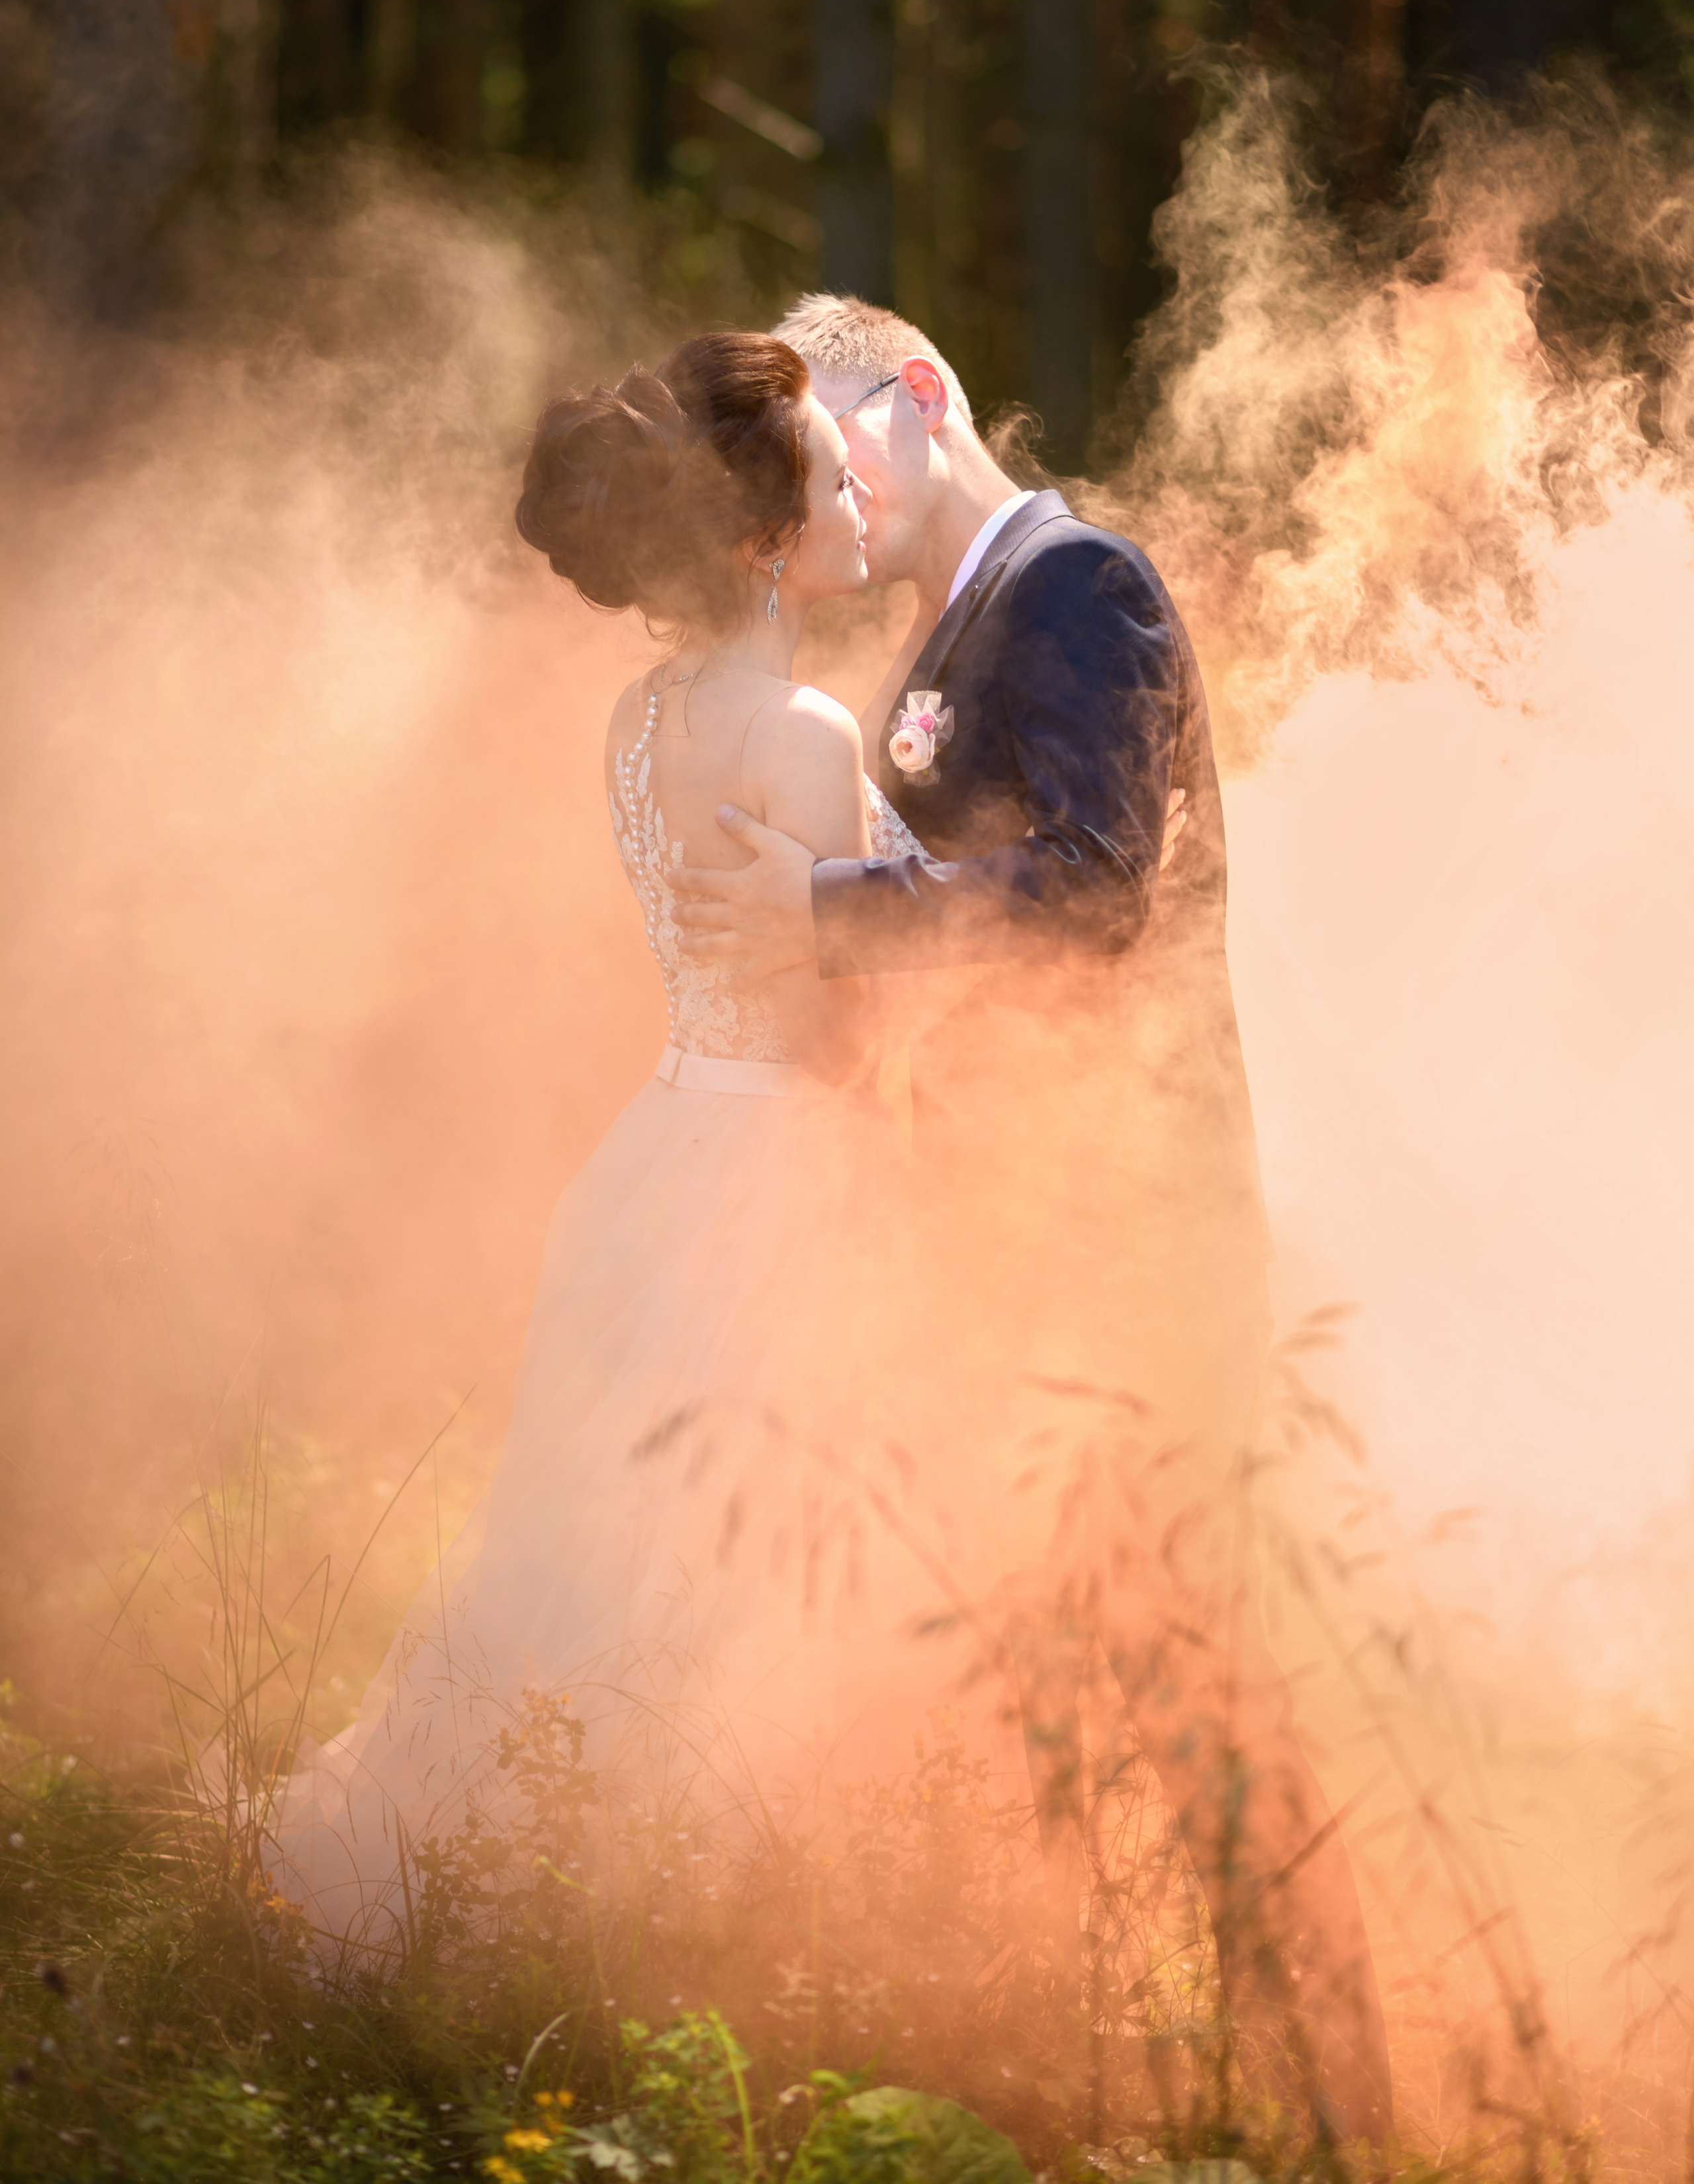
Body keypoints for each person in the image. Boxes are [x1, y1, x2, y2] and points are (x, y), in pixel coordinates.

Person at [670, 294, 1395, 2150]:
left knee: (1213, 1705)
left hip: (1130, 1248)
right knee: (1031, 1710)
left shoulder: (1084, 589)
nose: (820, 487)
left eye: (838, 438)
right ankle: (1090, 2108)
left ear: (921, 397)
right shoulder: (943, 636)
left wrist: (829, 905)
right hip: (997, 1251)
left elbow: (1085, 898)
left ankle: (1358, 2118)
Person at [268, 333, 978, 1954]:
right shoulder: (796, 731)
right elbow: (817, 1025)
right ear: (756, 541)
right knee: (735, 1567)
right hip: (775, 1179)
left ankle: (500, 1878)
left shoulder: (638, 721)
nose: (855, 484)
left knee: (587, 1542)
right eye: (820, 467)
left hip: (656, 1155)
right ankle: (675, 1922)